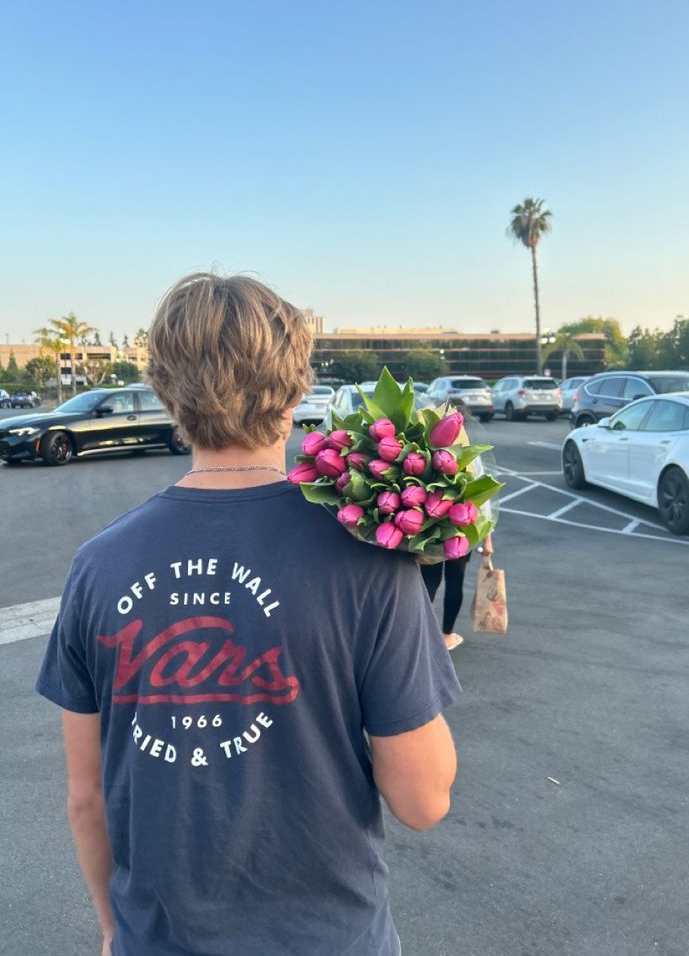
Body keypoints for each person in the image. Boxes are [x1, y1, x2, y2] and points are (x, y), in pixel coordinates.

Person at [36, 273, 460, 956]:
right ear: (296, 390)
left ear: (166, 391)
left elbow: (86, 797)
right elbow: (423, 799)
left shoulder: (97, 564)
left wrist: (114, 929)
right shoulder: (370, 563)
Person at [420, 399, 493, 651]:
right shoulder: (469, 453)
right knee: (455, 581)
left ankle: (420, 636)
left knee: (428, 581)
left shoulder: (425, 447)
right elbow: (482, 500)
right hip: (461, 529)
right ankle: (446, 635)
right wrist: (487, 539)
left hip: (430, 527)